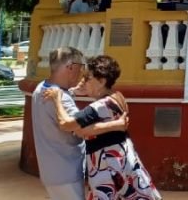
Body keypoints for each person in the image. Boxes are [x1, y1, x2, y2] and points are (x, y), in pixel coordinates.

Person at [44, 56, 161, 200]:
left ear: (101, 81)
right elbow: (88, 130)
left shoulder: (98, 107)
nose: (83, 81)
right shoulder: (118, 97)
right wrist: (114, 125)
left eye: (88, 78)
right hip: (123, 160)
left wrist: (57, 99)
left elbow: (65, 124)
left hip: (107, 164)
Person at [32, 47, 127, 200]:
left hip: (53, 169)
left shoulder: (41, 88)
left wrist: (72, 92)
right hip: (67, 171)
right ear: (71, 67)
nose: (82, 73)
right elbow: (81, 130)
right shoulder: (61, 98)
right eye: (81, 67)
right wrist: (118, 125)